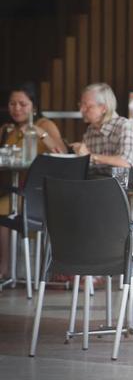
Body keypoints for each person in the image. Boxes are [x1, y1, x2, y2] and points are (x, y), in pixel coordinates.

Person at [0, 82, 67, 278]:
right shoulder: (7, 130)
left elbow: (62, 154)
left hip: (38, 193)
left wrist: (41, 134)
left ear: (34, 106)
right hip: (15, 190)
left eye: (22, 104)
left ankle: (4, 268)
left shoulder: (44, 125)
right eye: (12, 104)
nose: (17, 108)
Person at [71, 83, 133, 174]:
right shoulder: (91, 130)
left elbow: (125, 163)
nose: (81, 110)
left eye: (88, 106)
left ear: (103, 108)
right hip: (104, 184)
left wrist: (90, 156)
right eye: (81, 105)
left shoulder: (124, 126)